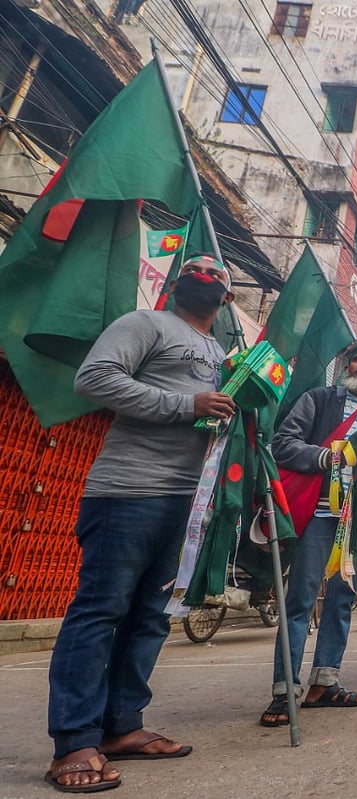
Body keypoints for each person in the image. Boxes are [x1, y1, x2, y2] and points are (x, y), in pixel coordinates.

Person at [45, 253, 236, 792]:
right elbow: (95, 379)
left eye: (216, 273)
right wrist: (185, 403)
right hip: (129, 490)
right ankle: (74, 743)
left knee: (151, 617)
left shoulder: (222, 352)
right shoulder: (145, 323)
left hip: (188, 504)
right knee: (100, 612)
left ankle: (122, 727)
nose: (206, 274)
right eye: (195, 269)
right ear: (179, 285)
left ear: (226, 297)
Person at [259, 337, 357, 727]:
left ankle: (325, 682)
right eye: (356, 360)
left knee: (340, 601)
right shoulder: (319, 399)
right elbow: (283, 444)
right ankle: (284, 691)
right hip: (319, 513)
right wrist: (325, 456)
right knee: (300, 599)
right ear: (346, 366)